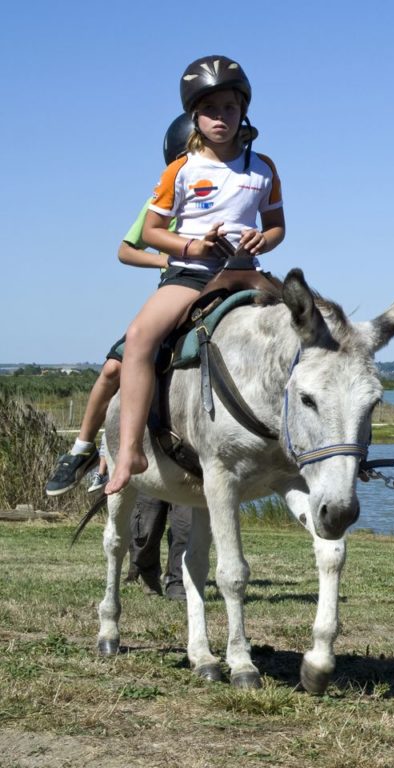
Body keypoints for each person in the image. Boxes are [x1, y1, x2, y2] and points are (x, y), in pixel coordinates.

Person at [106, 54, 285, 494]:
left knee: (313, 327)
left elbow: (277, 225)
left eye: (229, 107)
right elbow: (150, 231)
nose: (221, 117)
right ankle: (129, 448)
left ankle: (325, 447)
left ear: (243, 110)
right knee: (139, 339)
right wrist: (192, 246)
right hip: (192, 273)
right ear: (194, 117)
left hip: (246, 270)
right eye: (210, 110)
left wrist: (266, 240)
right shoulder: (180, 170)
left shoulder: (263, 168)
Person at [45, 113, 196, 496]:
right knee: (114, 368)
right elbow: (126, 250)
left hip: (220, 286)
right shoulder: (163, 200)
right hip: (177, 291)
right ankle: (82, 447)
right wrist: (166, 260)